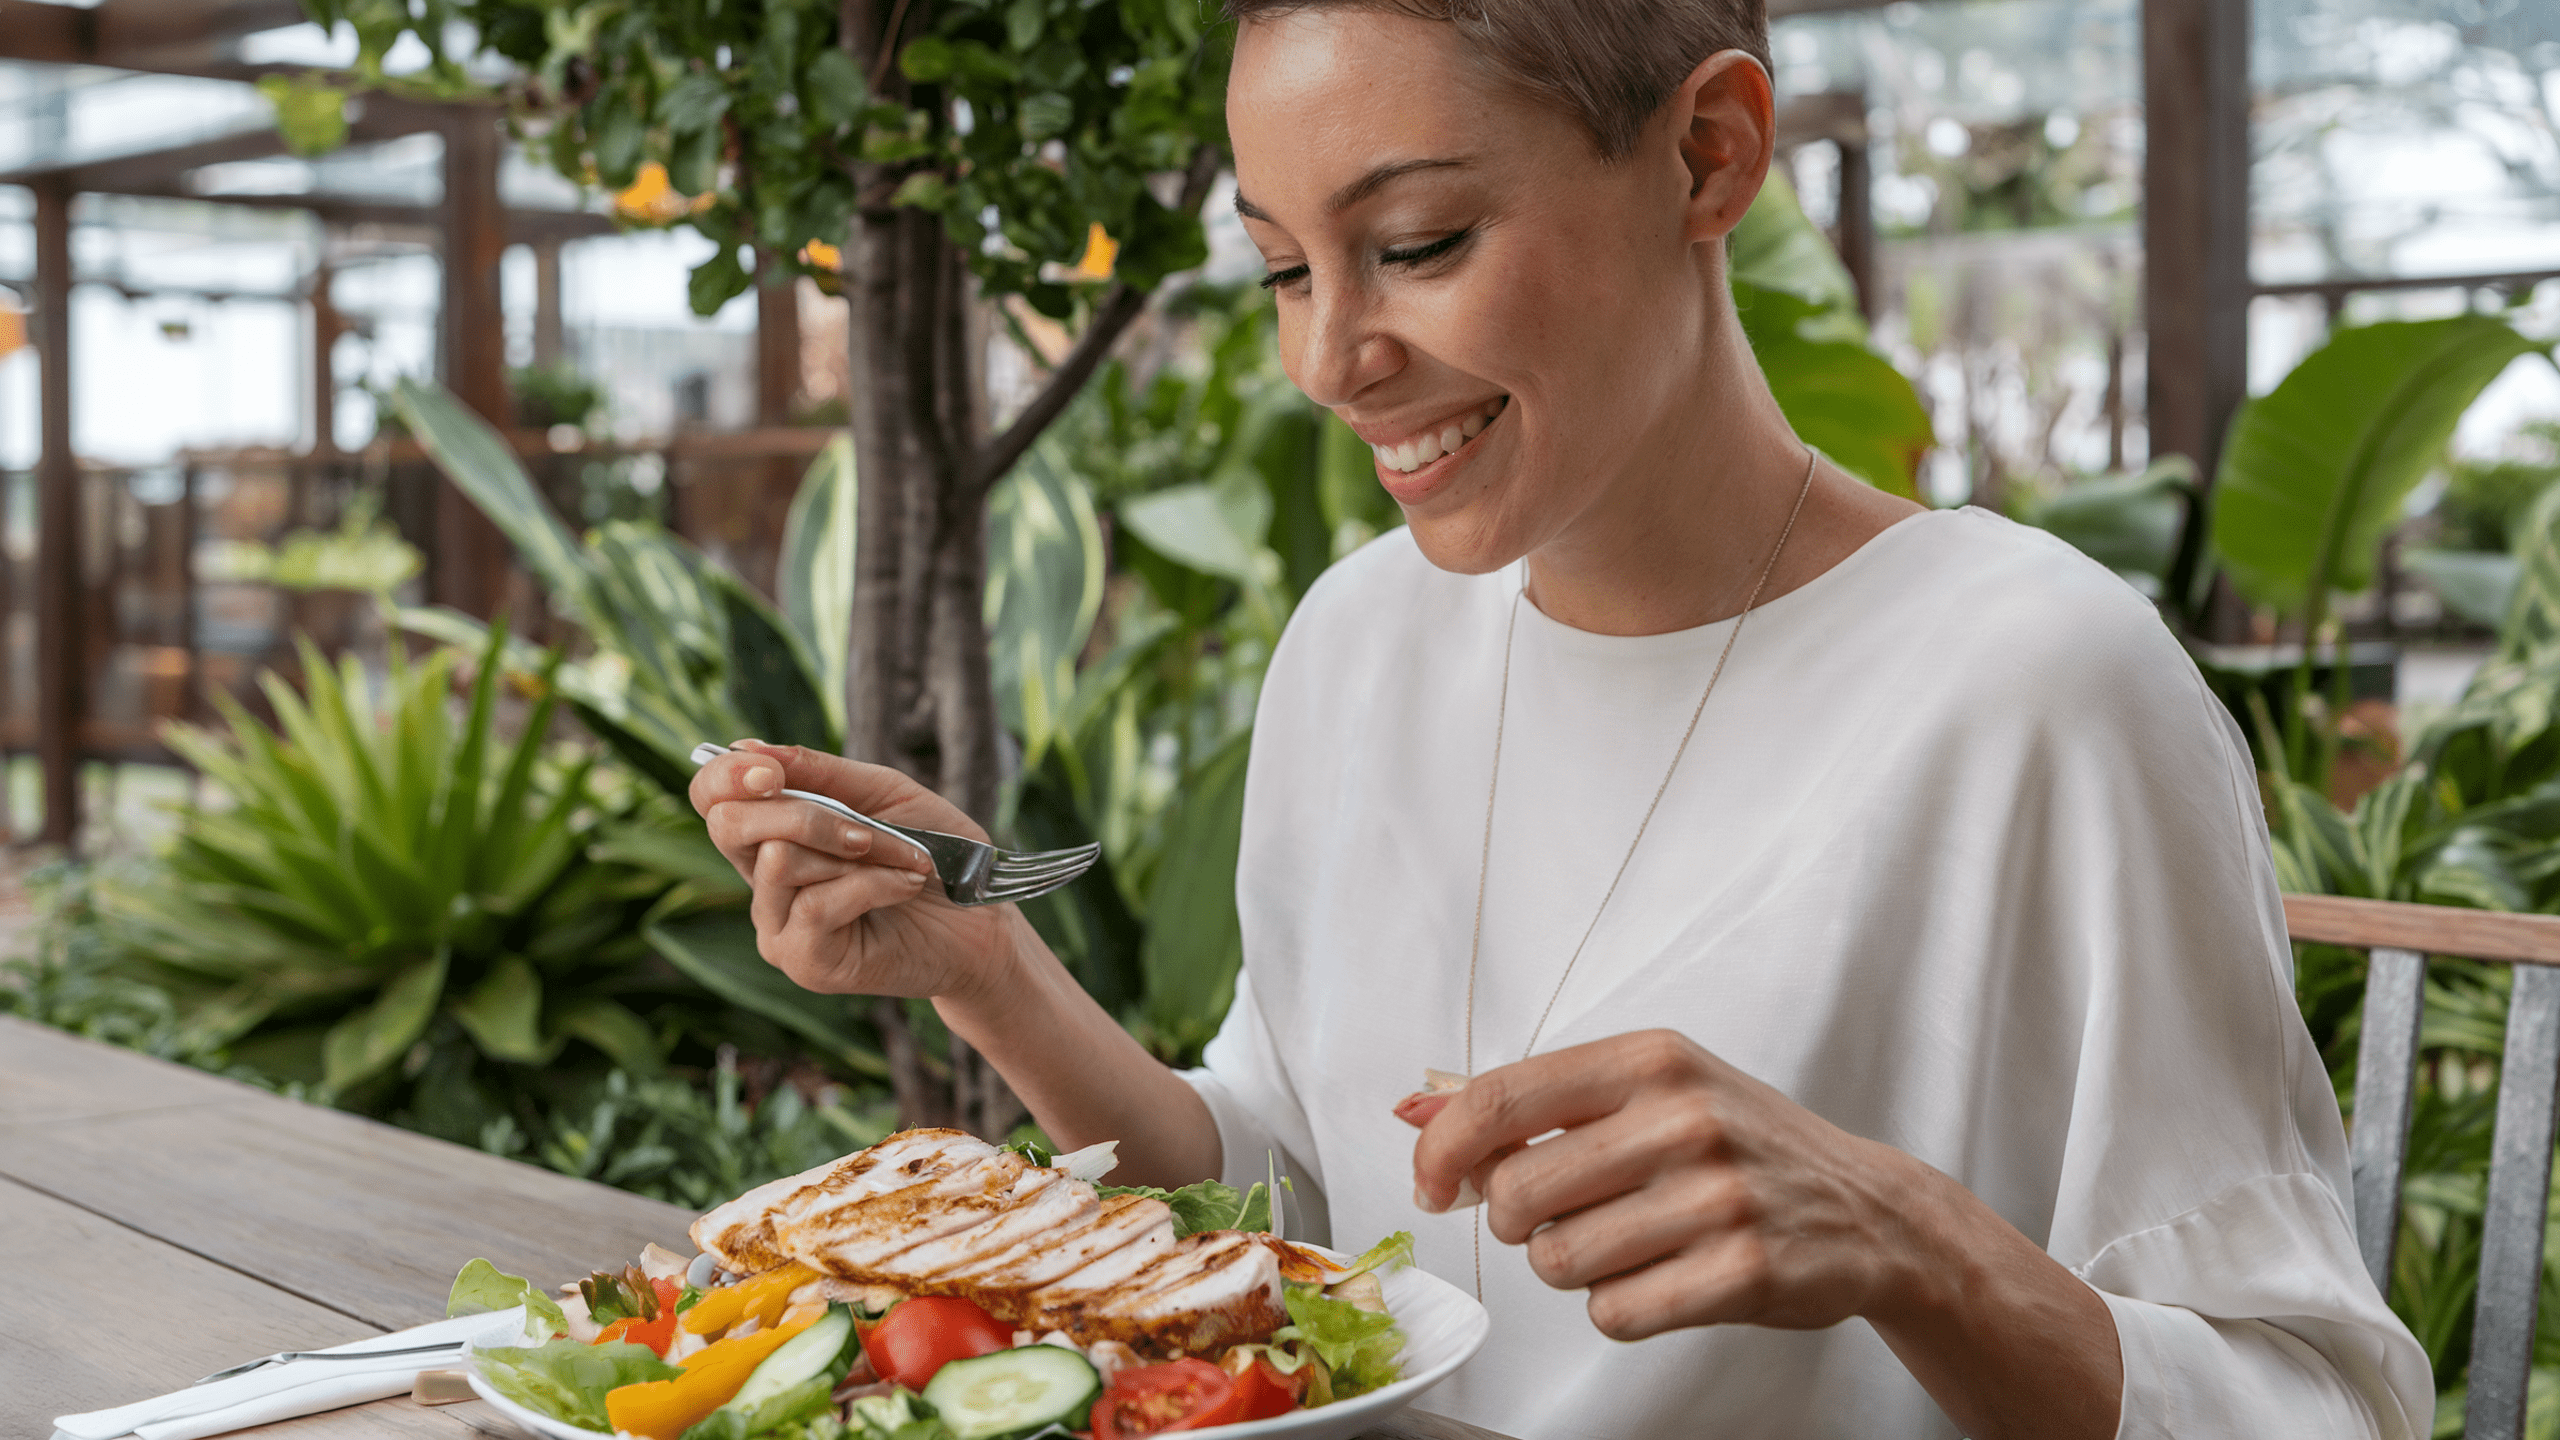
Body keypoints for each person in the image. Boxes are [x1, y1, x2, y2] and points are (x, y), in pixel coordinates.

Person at [691, 2, 2432, 1435]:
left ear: (1709, 153)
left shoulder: (2042, 687)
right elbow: (1294, 1211)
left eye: (1420, 244)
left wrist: (1910, 1241)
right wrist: (990, 973)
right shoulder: (1359, 642)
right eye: (1290, 268)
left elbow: (2317, 1409)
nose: (1328, 360)